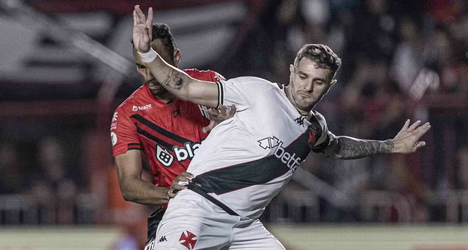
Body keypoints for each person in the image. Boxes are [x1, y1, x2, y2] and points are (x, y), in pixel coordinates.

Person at [133, 5, 431, 249]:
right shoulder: (258, 91)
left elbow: (337, 147)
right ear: (292, 71)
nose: (307, 87)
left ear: (330, 86)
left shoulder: (314, 127)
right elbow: (183, 86)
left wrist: (390, 145)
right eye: (302, 76)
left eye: (318, 82)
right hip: (200, 208)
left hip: (244, 227)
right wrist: (148, 54)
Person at [110, 22, 234, 249]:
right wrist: (170, 194)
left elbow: (249, 127)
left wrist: (231, 118)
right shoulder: (128, 114)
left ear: (176, 57)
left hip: (229, 209)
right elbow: (128, 184)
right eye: (141, 67)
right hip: (177, 215)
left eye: (156, 65)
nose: (149, 75)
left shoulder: (208, 83)